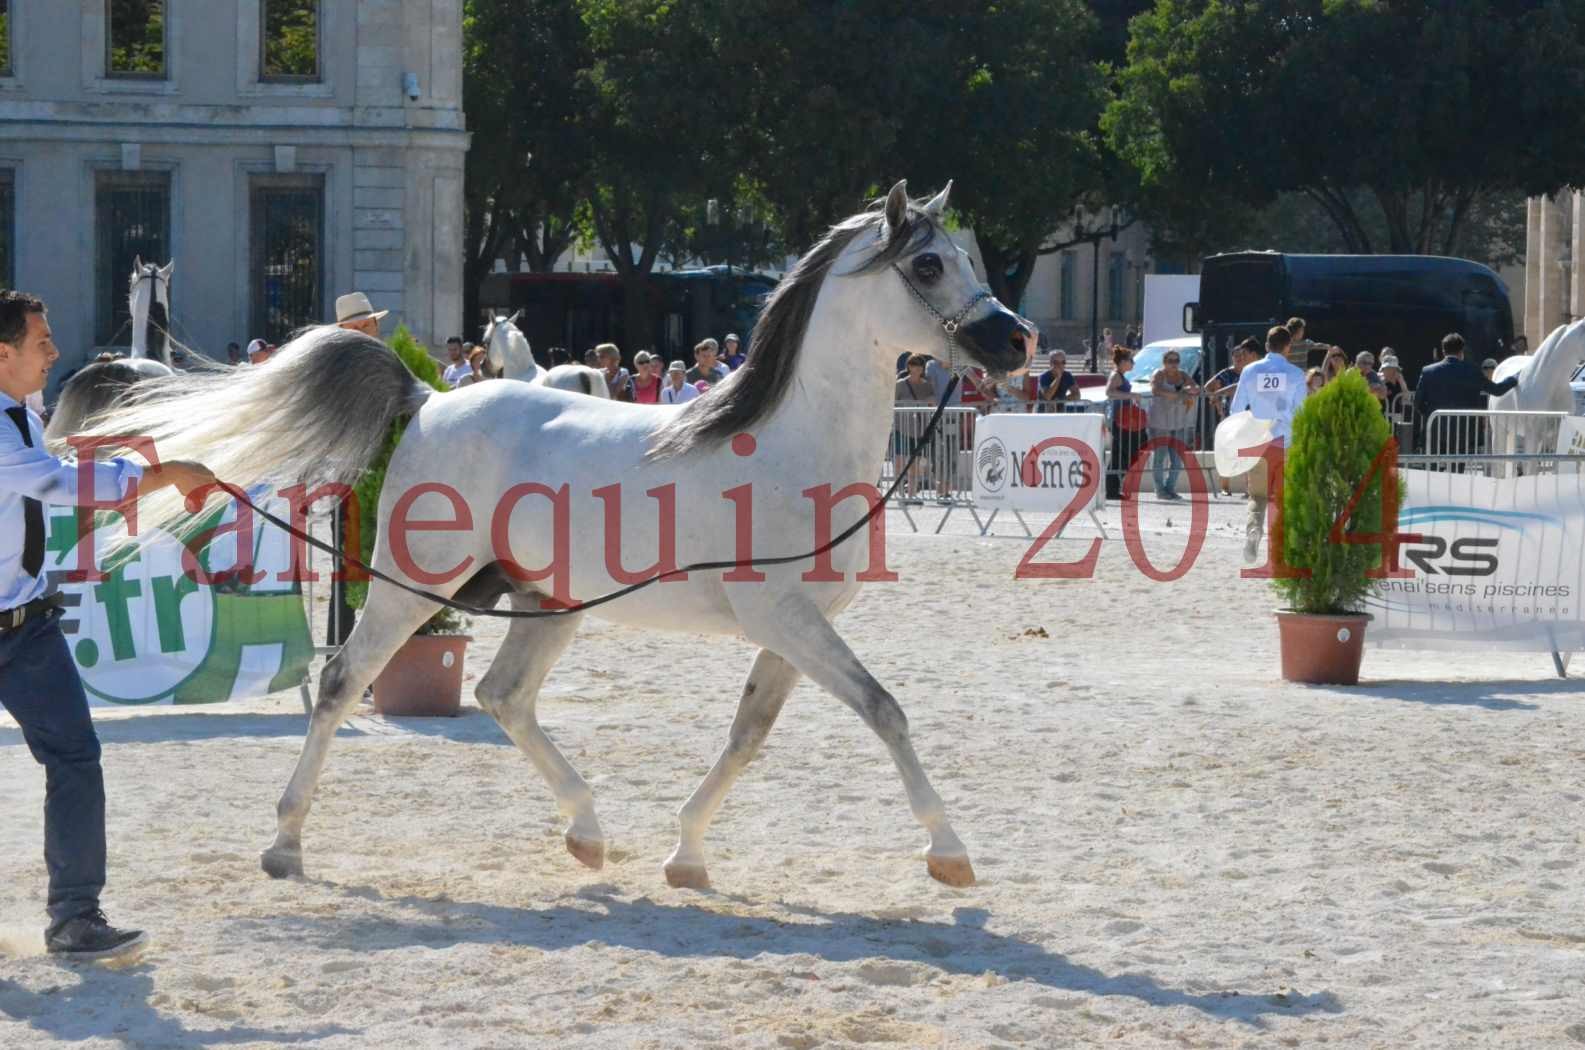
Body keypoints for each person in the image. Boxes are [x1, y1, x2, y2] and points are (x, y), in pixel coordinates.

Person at [0, 291, 215, 959]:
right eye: (42, 341)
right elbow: (55, 486)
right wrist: (165, 474)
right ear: (2, 353)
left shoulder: (23, 413)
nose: (55, 352)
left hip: (26, 624)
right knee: (73, 759)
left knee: (75, 758)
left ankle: (75, 917)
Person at [1230, 325, 1309, 562]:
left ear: (1266, 346)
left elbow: (1236, 409)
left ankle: (1254, 531)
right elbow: (1302, 412)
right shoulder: (1295, 374)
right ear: (1288, 347)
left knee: (1257, 497)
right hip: (1285, 442)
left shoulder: (1250, 371)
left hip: (1258, 443)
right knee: (1286, 498)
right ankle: (1285, 548)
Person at [1413, 333, 1519, 455]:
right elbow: (1497, 390)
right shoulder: (1472, 371)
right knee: (1457, 472)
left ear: (1443, 351)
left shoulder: (1428, 371)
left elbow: (1417, 402)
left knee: (1431, 471)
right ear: (1461, 352)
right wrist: (1515, 378)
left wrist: (1430, 413)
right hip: (1462, 432)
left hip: (1435, 429)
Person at [1147, 348, 1200, 500]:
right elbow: (1155, 390)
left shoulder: (1182, 374)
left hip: (1178, 421)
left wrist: (1187, 390)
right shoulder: (1159, 374)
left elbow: (1195, 388)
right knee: (1159, 456)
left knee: (1177, 458)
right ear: (1164, 362)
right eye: (1170, 361)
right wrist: (1178, 394)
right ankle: (1159, 489)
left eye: (1176, 360)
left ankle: (1170, 488)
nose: (1174, 364)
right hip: (1160, 421)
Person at [1105, 346, 1147, 500]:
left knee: (1124, 453)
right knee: (1121, 454)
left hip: (1125, 420)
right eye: (1131, 360)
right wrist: (1131, 395)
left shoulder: (1121, 375)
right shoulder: (1116, 375)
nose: (1133, 364)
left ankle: (1113, 489)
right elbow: (1109, 392)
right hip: (1120, 420)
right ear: (1122, 362)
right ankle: (1111, 489)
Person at [893, 354, 934, 499]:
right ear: (908, 367)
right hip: (900, 428)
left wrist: (929, 401)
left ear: (923, 368)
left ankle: (911, 494)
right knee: (899, 461)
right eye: (913, 365)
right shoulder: (900, 384)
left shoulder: (927, 385)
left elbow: (932, 403)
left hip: (919, 429)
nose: (916, 369)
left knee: (914, 464)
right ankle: (898, 493)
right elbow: (892, 403)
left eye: (919, 366)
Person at [1205, 338, 1257, 419]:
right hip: (1230, 414)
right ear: (1232, 358)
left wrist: (1218, 393)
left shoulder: (1250, 371)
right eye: (1236, 356)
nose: (1239, 358)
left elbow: (1239, 386)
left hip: (1250, 414)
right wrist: (1217, 403)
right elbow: (1208, 387)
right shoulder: (1226, 373)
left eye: (1242, 355)